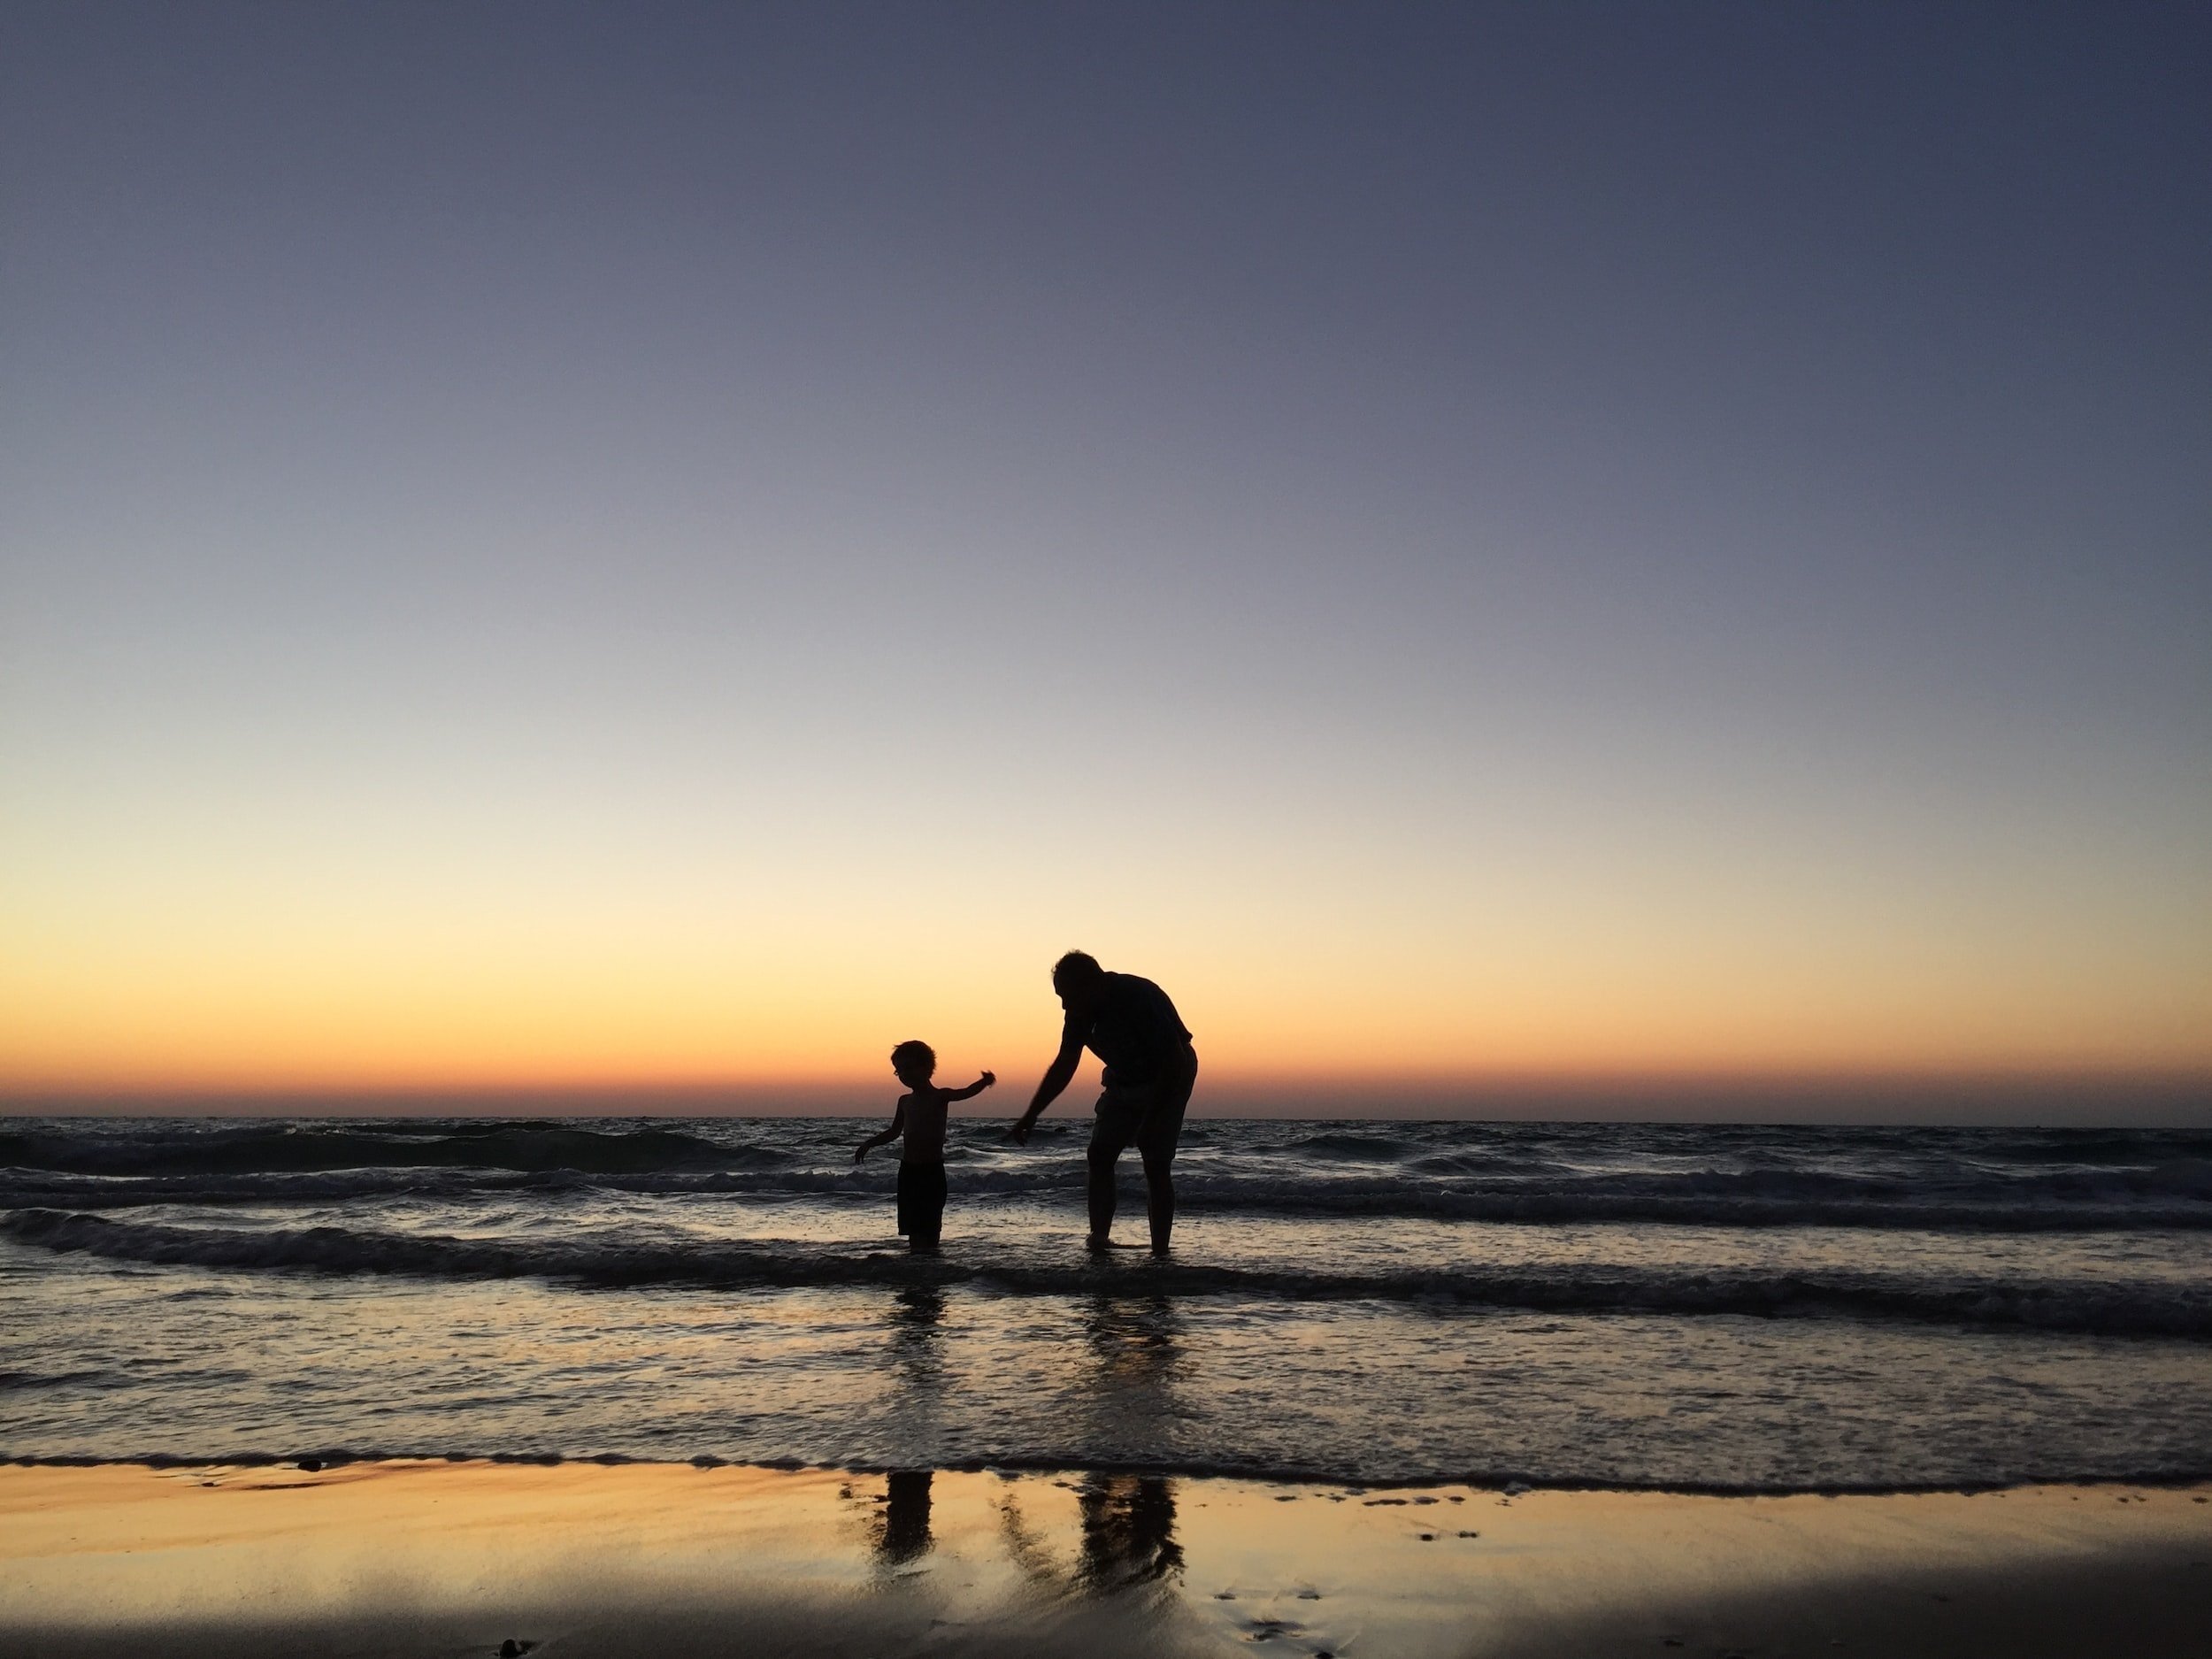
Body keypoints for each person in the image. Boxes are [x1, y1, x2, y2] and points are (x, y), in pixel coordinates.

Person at [1008, 951, 1196, 1256]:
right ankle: (1099, 1240)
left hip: (1169, 1073)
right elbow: (1065, 1064)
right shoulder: (1079, 1012)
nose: (1065, 1005)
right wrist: (1031, 1115)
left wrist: (1152, 1120)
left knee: (1156, 1163)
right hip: (1123, 1077)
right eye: (1060, 998)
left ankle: (1160, 1251)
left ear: (1093, 984)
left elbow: (1172, 1061)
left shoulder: (1139, 996)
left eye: (1067, 996)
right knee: (1099, 1155)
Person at [856, 1041, 994, 1253]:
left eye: (909, 1067)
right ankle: (917, 1270)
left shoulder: (940, 1096)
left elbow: (965, 1092)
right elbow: (894, 1132)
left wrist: (984, 1082)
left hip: (932, 1171)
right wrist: (869, 1143)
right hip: (908, 1171)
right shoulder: (904, 1101)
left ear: (927, 1068)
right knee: (912, 1226)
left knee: (930, 1225)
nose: (904, 1074)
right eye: (899, 1071)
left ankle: (930, 1268)